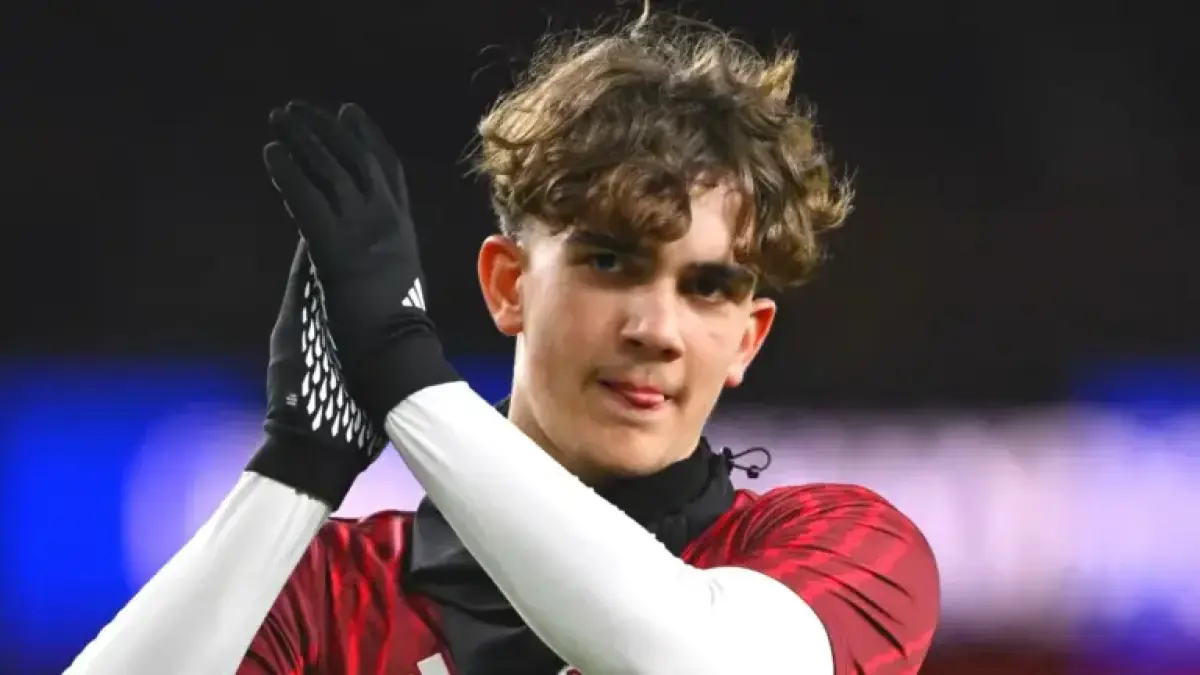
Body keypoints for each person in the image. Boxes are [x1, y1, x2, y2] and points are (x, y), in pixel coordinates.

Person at [65, 12, 939, 675]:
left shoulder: (850, 548)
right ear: (507, 284)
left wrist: (402, 370)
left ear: (748, 339)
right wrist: (296, 468)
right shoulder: (332, 592)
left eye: (707, 287)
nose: (655, 330)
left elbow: (693, 660)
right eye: (610, 262)